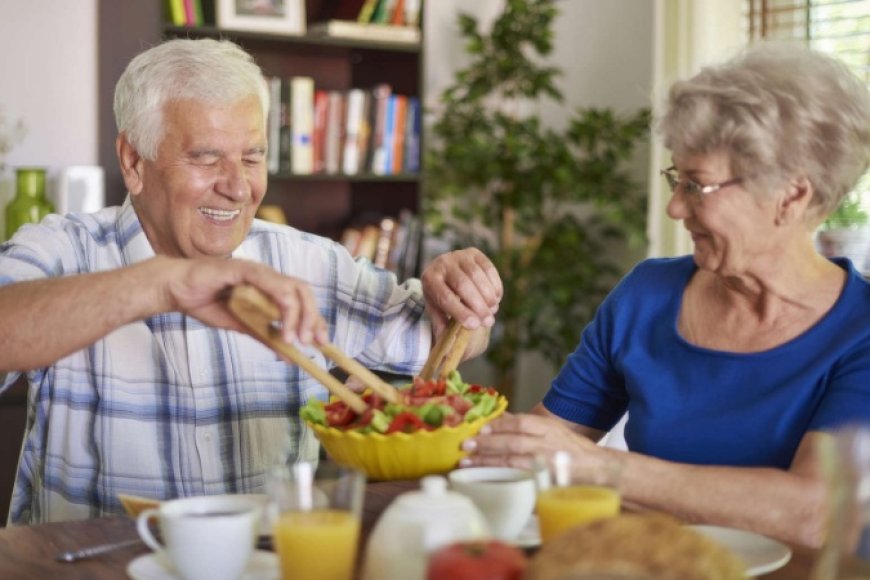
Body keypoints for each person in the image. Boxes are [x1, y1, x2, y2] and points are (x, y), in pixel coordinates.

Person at [0, 38, 502, 525]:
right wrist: (160, 284)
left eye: (252, 156)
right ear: (134, 162)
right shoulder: (64, 249)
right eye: (205, 157)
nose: (238, 186)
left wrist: (460, 296)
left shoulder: (308, 262)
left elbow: (454, 337)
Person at [462, 42, 870, 548]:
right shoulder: (646, 295)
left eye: (697, 186)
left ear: (791, 196)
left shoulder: (861, 329)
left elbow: (815, 514)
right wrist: (448, 344)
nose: (676, 208)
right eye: (677, 179)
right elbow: (538, 451)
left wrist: (601, 469)